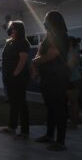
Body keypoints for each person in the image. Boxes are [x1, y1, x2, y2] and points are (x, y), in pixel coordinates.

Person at [32, 10, 70, 151]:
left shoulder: (62, 37)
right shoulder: (48, 38)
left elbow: (50, 55)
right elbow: (40, 52)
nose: (44, 23)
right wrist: (36, 62)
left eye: (47, 20)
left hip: (58, 79)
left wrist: (35, 62)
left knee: (59, 109)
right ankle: (49, 135)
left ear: (54, 22)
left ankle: (60, 142)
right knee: (50, 108)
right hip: (47, 78)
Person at [0, 21, 30, 138]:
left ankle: (25, 132)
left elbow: (23, 60)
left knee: (21, 103)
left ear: (19, 30)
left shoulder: (23, 42)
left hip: (18, 77)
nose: (11, 30)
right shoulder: (10, 42)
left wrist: (15, 74)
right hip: (8, 77)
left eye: (14, 28)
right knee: (13, 103)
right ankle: (12, 127)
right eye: (10, 28)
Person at [66, 37, 82, 129]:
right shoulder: (71, 51)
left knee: (73, 102)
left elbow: (71, 66)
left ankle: (74, 123)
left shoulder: (73, 52)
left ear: (70, 43)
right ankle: (72, 122)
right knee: (72, 102)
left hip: (72, 80)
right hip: (72, 79)